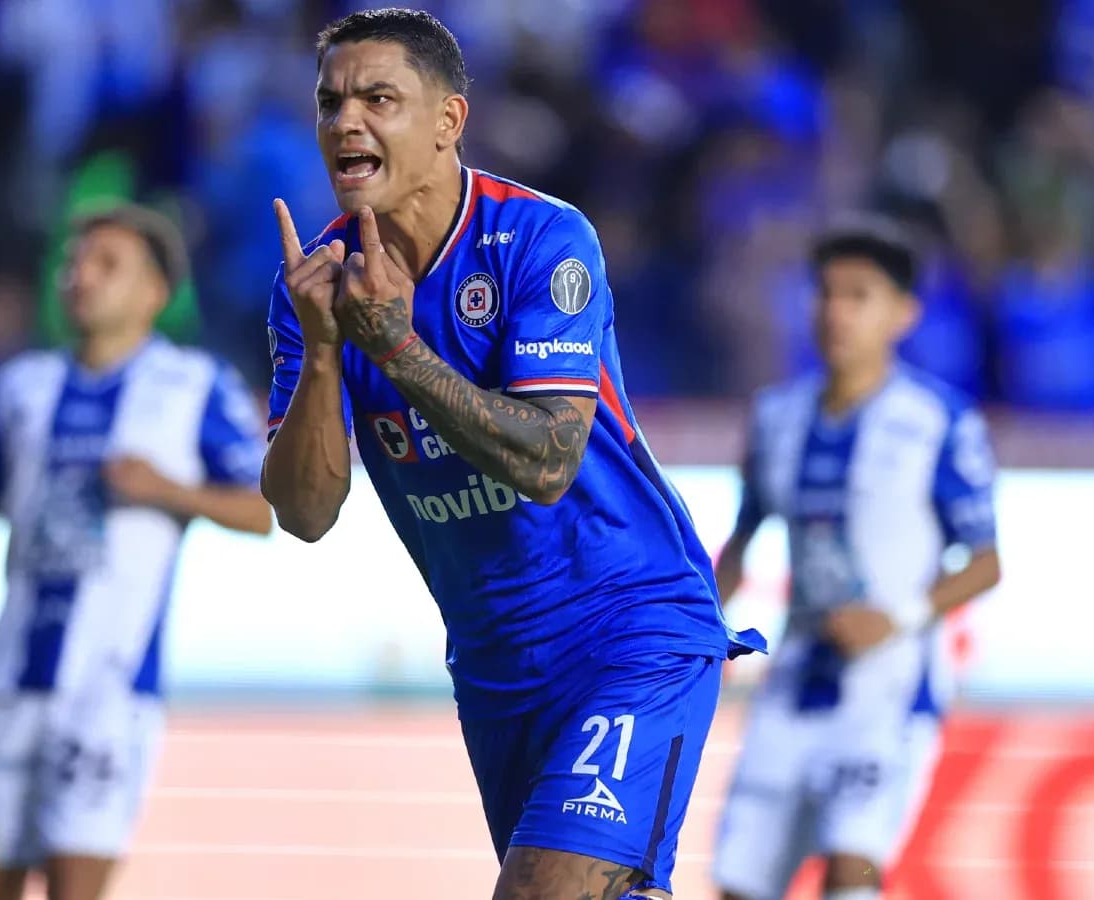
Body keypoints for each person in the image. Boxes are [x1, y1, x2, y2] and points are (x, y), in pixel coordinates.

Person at [262, 9, 764, 899]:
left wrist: (396, 350)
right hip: (497, 664)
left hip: (630, 624)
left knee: (539, 893)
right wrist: (329, 349)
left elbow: (547, 463)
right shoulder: (312, 286)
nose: (347, 122)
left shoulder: (541, 239)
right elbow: (305, 515)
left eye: (379, 98)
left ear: (450, 121)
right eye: (331, 101)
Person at [0, 203, 273, 900]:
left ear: (155, 292)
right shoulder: (20, 387)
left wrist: (169, 491)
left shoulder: (193, 385)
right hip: (10, 678)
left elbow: (263, 509)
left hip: (109, 687)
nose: (81, 278)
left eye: (107, 265)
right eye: (74, 263)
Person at [709, 217, 1003, 900]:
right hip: (795, 676)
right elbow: (743, 540)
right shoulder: (777, 416)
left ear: (903, 314)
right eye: (826, 293)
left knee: (852, 873)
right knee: (742, 884)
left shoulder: (940, 421)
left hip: (889, 684)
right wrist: (696, 633)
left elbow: (986, 562)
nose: (836, 312)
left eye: (859, 295)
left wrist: (894, 618)